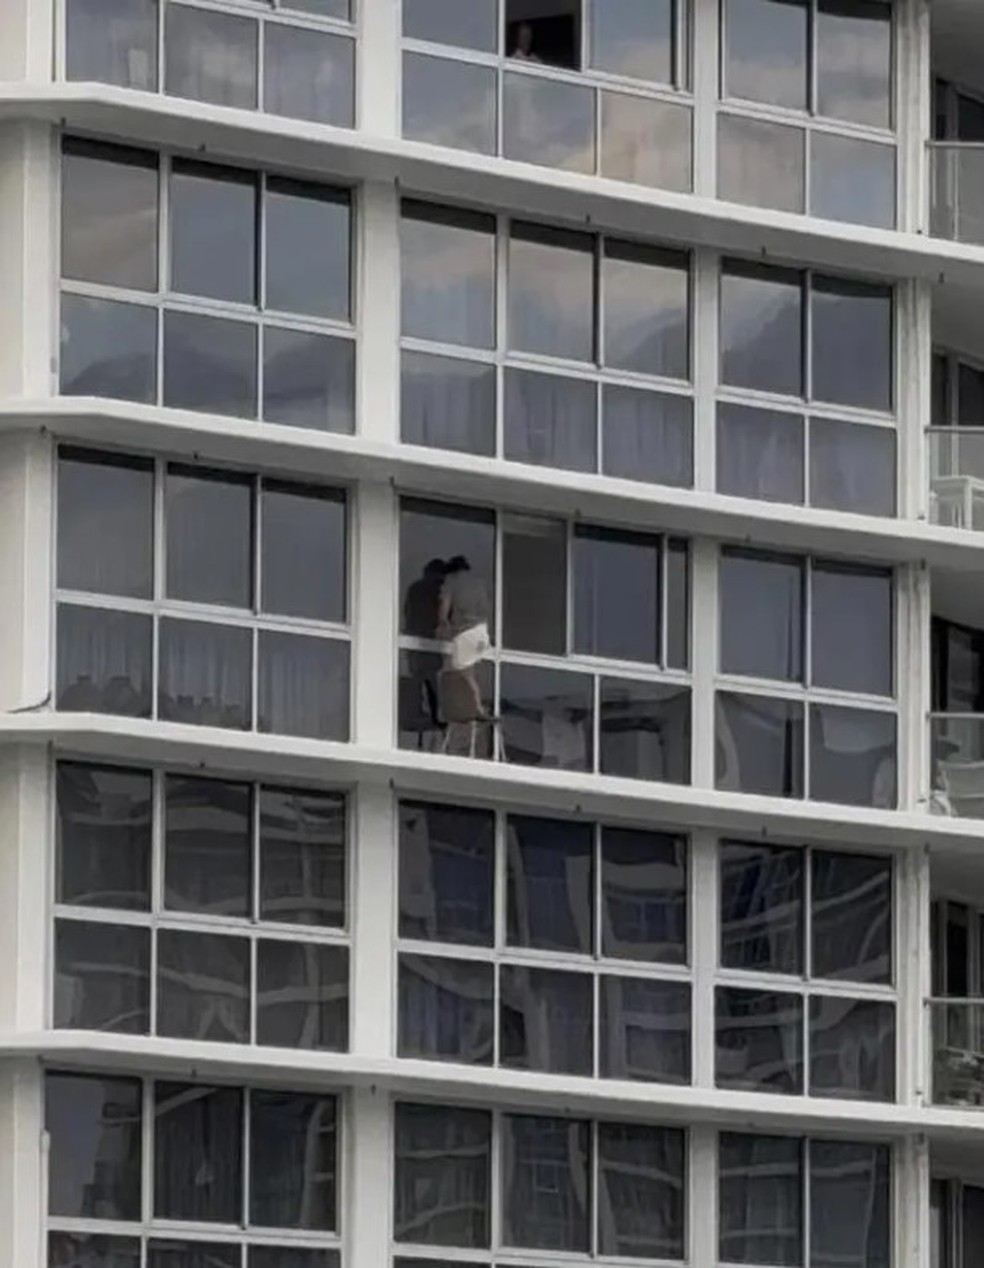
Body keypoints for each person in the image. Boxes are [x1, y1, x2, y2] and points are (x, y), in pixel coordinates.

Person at [437, 555, 490, 720]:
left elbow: (444, 606)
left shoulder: (452, 581)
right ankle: (476, 707)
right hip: (482, 633)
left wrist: (442, 623)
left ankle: (471, 709)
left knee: (457, 673)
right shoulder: (479, 583)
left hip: (466, 633)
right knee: (468, 672)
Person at [403, 558, 447, 732]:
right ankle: (437, 716)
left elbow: (408, 613)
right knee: (433, 682)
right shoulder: (435, 591)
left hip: (415, 643)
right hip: (428, 643)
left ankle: (419, 713)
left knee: (419, 679)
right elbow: (439, 617)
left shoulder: (415, 589)